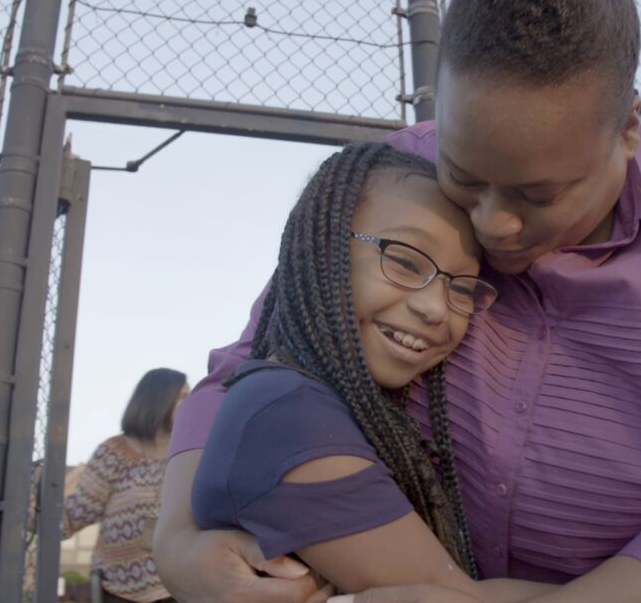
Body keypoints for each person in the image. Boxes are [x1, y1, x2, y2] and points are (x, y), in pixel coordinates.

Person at [154, 0, 641, 603]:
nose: (494, 222)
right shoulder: (395, 175)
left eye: (538, 193)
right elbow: (262, 358)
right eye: (464, 174)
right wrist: (179, 546)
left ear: (629, 128)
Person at [191, 142, 560, 601]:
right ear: (321, 248)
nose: (434, 308)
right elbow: (449, 595)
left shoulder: (344, 410)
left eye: (462, 288)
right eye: (405, 261)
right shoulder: (284, 412)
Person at [63, 368, 190, 603]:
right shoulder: (114, 453)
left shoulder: (189, 456)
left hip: (180, 587)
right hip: (119, 590)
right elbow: (76, 513)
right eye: (182, 396)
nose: (190, 403)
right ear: (158, 399)